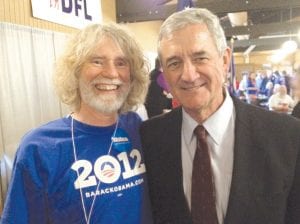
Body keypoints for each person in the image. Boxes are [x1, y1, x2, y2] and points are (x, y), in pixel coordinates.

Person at [140, 8, 300, 224]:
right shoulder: (150, 138)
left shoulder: (287, 136)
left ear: (224, 60)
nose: (188, 75)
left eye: (200, 58)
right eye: (174, 63)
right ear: (165, 73)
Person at [1, 23, 153, 224]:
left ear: (132, 76)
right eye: (97, 61)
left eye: (121, 63)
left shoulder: (139, 129)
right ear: (75, 71)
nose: (111, 73)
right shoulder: (40, 147)